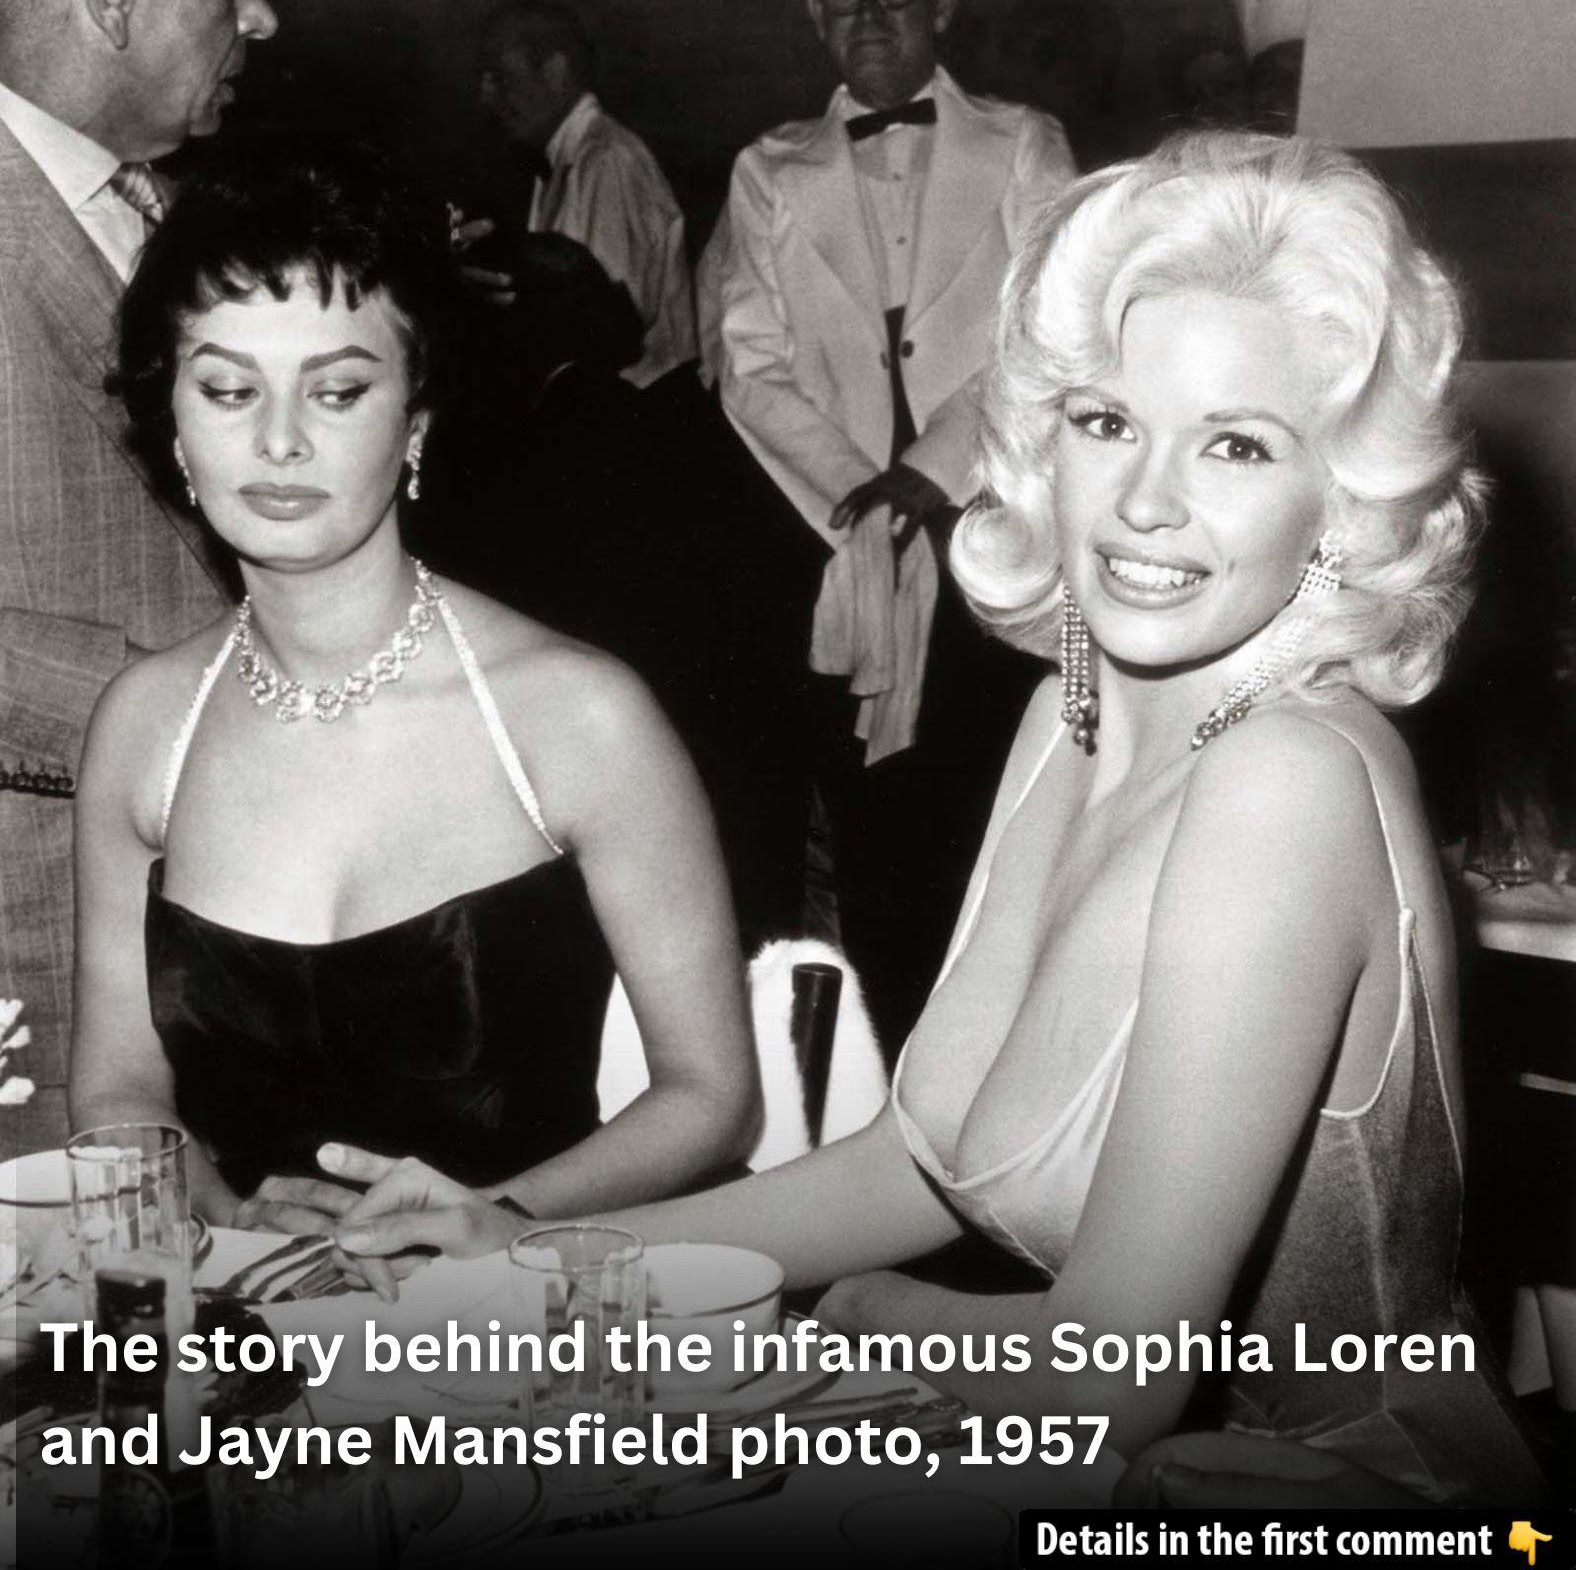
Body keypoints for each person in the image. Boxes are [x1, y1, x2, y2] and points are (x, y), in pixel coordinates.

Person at [324, 132, 1548, 1505]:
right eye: (1106, 422)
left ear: (1339, 500)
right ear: (1038, 440)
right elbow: (920, 1162)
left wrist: (861, 1315)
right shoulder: (1069, 717)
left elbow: (1105, 1384)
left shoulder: (1286, 780)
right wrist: (536, 1252)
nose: (1146, 501)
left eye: (1236, 445)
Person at [67, 136, 759, 1240]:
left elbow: (711, 1098)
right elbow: (117, 1088)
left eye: (338, 391)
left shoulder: (575, 714)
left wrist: (496, 1218)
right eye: (229, 389)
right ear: (175, 427)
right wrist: (225, 1219)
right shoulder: (143, 725)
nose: (279, 440)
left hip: (511, 1312)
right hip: (239, 1312)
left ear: (417, 420)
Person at [700, 0, 1076, 1057]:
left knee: (990, 816)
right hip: (830, 534)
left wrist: (931, 472)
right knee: (864, 833)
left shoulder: (1021, 144)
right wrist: (857, 494)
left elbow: (1053, 328)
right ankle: (889, 1080)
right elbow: (748, 363)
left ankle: (999, 1067)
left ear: (945, 2)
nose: (868, 14)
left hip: (988, 528)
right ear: (813, 14)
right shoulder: (768, 168)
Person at [0, 0, 278, 1154]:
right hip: (36, 933)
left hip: (208, 929)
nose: (261, 15)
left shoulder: (163, 209)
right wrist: (184, 714)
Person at [476, 0, 695, 389]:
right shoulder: (566, 163)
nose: (485, 95)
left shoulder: (608, 161)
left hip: (630, 412)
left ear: (556, 71)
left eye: (499, 77)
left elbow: (610, 332)